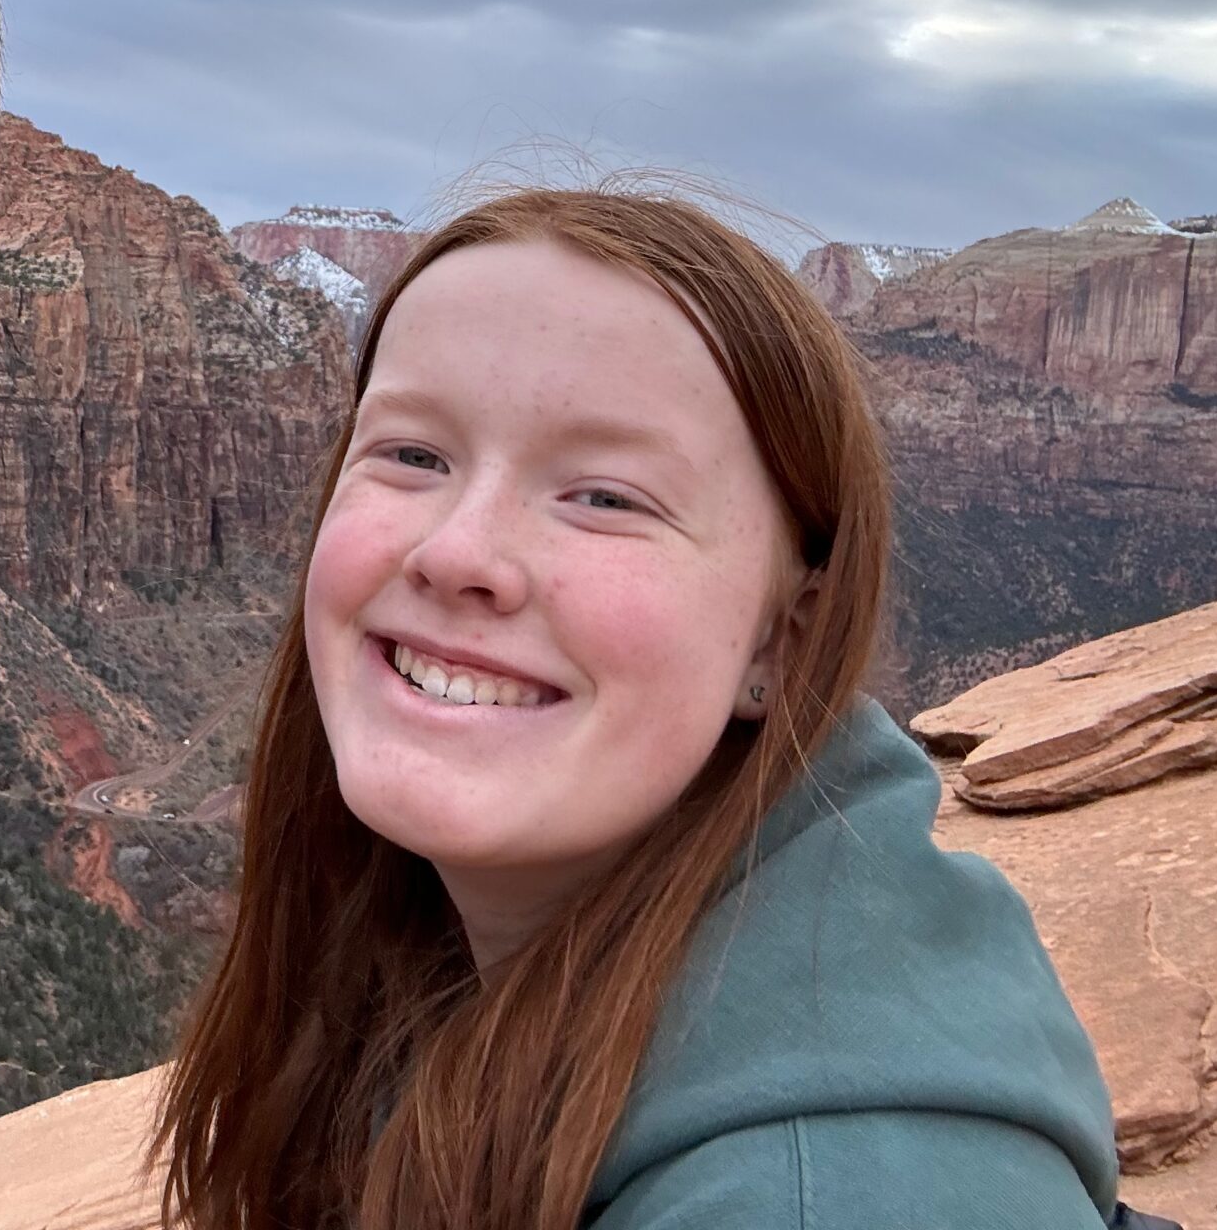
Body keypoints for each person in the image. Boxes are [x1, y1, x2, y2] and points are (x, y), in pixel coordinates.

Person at [158, 188, 1163, 1230]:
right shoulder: (440, 957)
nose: (457, 552)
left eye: (604, 497)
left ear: (786, 637)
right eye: (413, 455)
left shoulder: (823, 1191)